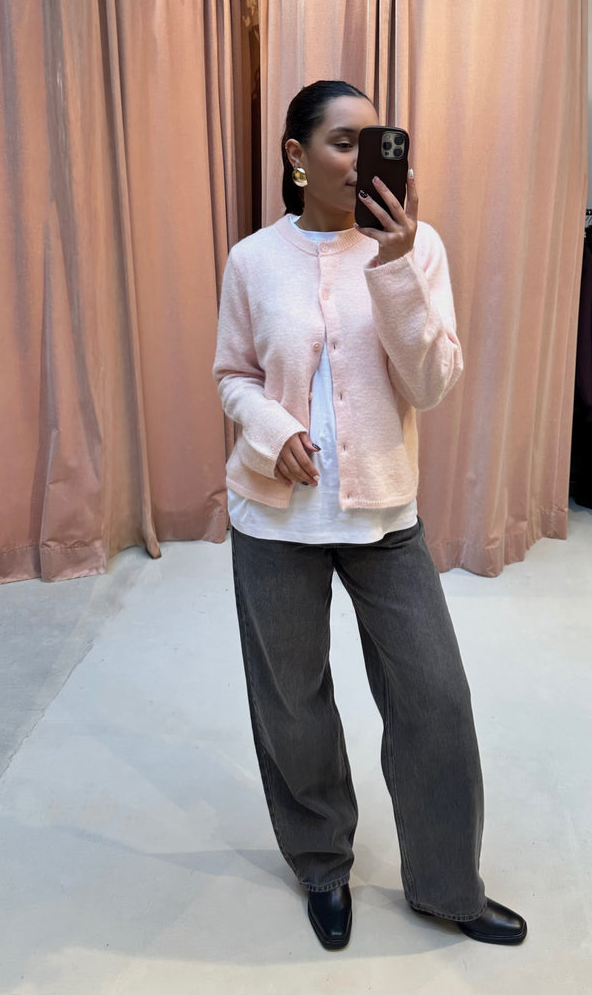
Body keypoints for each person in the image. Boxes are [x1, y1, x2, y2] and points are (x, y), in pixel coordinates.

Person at [213, 80, 527, 951]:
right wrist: (272, 429)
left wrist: (394, 265)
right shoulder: (252, 260)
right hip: (275, 522)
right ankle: (322, 864)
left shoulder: (417, 249)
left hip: (385, 518)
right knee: (293, 704)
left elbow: (431, 383)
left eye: (376, 142)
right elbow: (232, 375)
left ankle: (447, 884)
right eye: (343, 142)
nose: (363, 160)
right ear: (297, 155)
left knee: (435, 701)